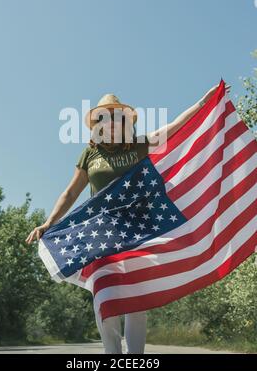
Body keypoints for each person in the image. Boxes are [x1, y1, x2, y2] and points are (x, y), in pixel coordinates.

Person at [26, 83, 230, 354]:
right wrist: (49, 222)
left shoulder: (138, 146)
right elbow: (71, 191)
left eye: (114, 116)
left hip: (138, 230)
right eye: (103, 117)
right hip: (101, 232)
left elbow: (169, 130)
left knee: (136, 297)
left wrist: (201, 105)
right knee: (105, 291)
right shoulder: (90, 154)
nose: (109, 121)